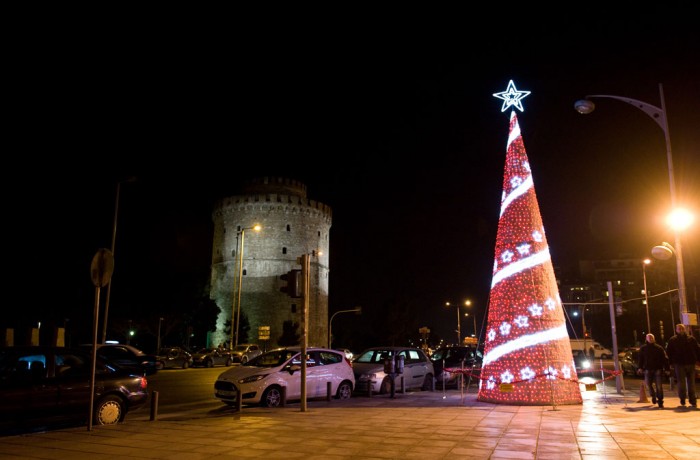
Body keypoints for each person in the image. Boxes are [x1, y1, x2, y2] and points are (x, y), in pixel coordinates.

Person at [665, 323, 700, 408]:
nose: (680, 330)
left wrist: (698, 360)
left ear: (685, 329)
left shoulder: (691, 339)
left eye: (682, 328)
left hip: (690, 363)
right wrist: (671, 363)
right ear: (676, 330)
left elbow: (697, 350)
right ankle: (682, 399)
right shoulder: (673, 340)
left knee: (691, 383)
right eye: (679, 329)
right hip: (679, 364)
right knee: (681, 383)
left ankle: (693, 400)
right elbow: (668, 352)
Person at [637, 333, 670, 408]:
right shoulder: (643, 348)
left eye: (652, 338)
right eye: (649, 338)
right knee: (648, 384)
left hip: (658, 368)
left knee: (659, 386)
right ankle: (653, 395)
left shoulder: (659, 348)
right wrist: (640, 367)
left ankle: (660, 401)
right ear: (646, 339)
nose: (651, 339)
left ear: (654, 339)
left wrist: (667, 369)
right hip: (647, 369)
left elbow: (665, 359)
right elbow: (640, 359)